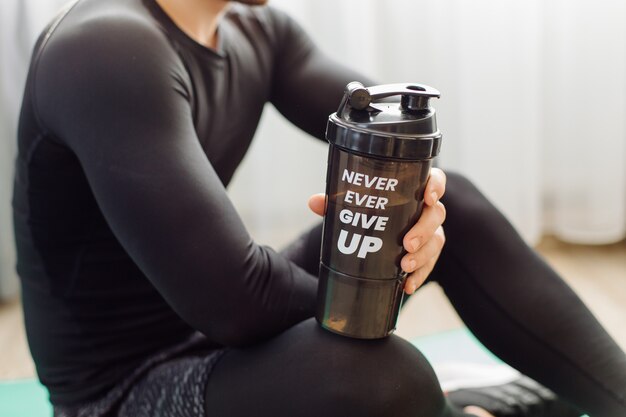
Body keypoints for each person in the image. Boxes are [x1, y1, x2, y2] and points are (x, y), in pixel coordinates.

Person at [12, 0, 626, 416]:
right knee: (385, 378)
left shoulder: (259, 32)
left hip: (220, 331)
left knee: (451, 201)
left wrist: (419, 207)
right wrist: (380, 274)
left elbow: (395, 131)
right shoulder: (106, 48)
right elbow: (237, 302)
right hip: (126, 390)